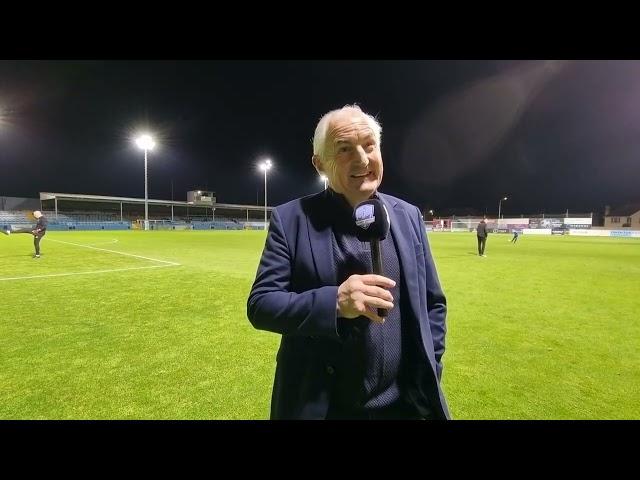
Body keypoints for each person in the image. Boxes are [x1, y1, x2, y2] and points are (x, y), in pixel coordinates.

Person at [247, 105, 449, 420]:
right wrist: (336, 303)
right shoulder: (292, 219)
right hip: (323, 409)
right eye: (344, 149)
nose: (362, 159)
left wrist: (431, 368)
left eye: (369, 145)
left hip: (404, 408)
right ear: (320, 164)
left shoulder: (408, 216)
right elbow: (261, 304)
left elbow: (432, 303)